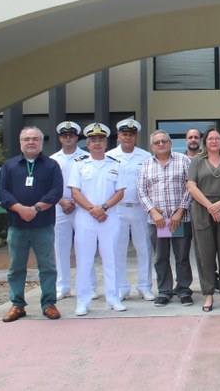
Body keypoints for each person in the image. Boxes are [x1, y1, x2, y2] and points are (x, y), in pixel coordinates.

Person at [0, 127, 63, 322]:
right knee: (16, 267)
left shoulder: (51, 166)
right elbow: (2, 193)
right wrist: (20, 209)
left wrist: (35, 209)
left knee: (48, 267)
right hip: (17, 225)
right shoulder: (9, 166)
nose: (31, 142)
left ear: (41, 142)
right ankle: (17, 305)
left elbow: (56, 192)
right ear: (20, 142)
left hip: (43, 224)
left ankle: (49, 304)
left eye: (35, 138)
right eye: (26, 139)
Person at [69, 123, 128, 316]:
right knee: (84, 261)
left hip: (109, 217)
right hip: (85, 218)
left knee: (111, 259)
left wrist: (103, 208)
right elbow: (74, 191)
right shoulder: (79, 163)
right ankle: (83, 301)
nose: (97, 143)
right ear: (87, 143)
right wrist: (92, 210)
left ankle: (113, 298)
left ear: (106, 143)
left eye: (100, 140)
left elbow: (120, 192)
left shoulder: (116, 164)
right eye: (93, 140)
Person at [137, 130, 195, 307]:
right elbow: (141, 191)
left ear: (170, 143)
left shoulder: (184, 160)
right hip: (158, 222)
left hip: (180, 220)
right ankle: (164, 291)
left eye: (164, 141)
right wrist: (154, 212)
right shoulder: (146, 165)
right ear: (152, 146)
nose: (161, 144)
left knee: (182, 257)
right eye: (157, 143)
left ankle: (184, 290)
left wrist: (180, 211)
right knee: (160, 258)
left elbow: (191, 187)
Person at [187, 128, 220, 312]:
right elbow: (191, 185)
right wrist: (210, 207)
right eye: (210, 138)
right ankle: (209, 294)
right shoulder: (196, 161)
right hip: (202, 210)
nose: (213, 141)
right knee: (205, 255)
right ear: (205, 141)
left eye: (217, 138)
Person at [106, 119, 155, 302]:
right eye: (124, 134)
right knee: (118, 251)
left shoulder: (145, 157)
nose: (128, 137)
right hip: (117, 210)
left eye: (131, 134)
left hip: (140, 209)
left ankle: (145, 287)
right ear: (118, 136)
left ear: (136, 136)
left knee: (144, 249)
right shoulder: (109, 156)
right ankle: (122, 288)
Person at [49, 121, 91, 301]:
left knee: (85, 247)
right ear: (60, 138)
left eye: (72, 135)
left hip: (81, 204)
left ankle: (89, 286)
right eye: (65, 135)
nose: (68, 138)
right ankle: (63, 286)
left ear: (76, 138)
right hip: (59, 205)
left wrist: (77, 200)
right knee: (60, 247)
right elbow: (48, 185)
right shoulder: (52, 159)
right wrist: (61, 201)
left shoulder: (86, 157)